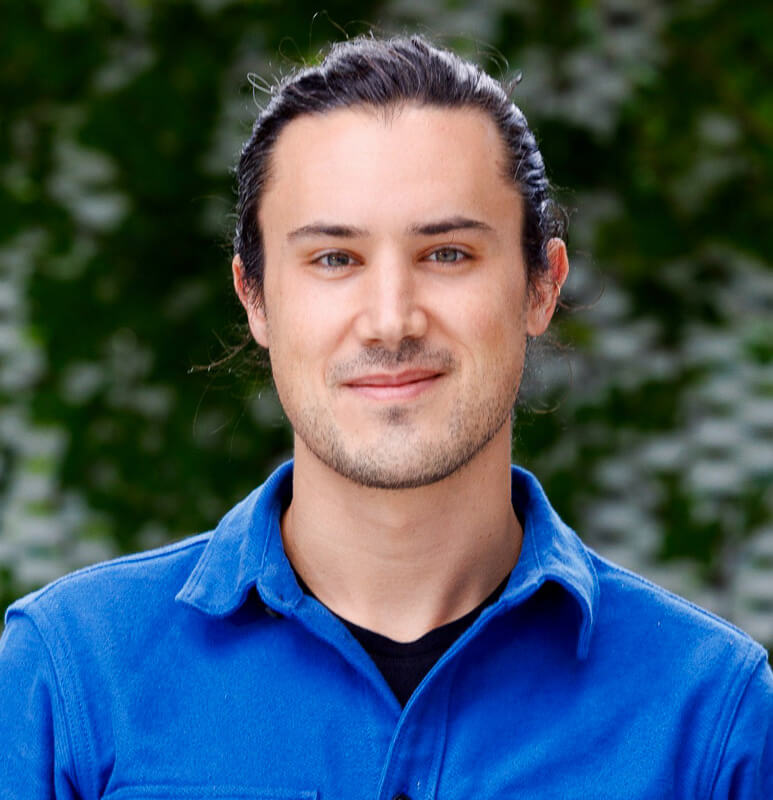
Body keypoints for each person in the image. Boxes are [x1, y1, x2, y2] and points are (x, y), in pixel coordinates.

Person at [1, 33, 771, 799]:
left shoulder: (711, 713)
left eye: (447, 254)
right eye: (334, 259)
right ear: (255, 297)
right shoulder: (70, 676)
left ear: (541, 286)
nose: (391, 320)